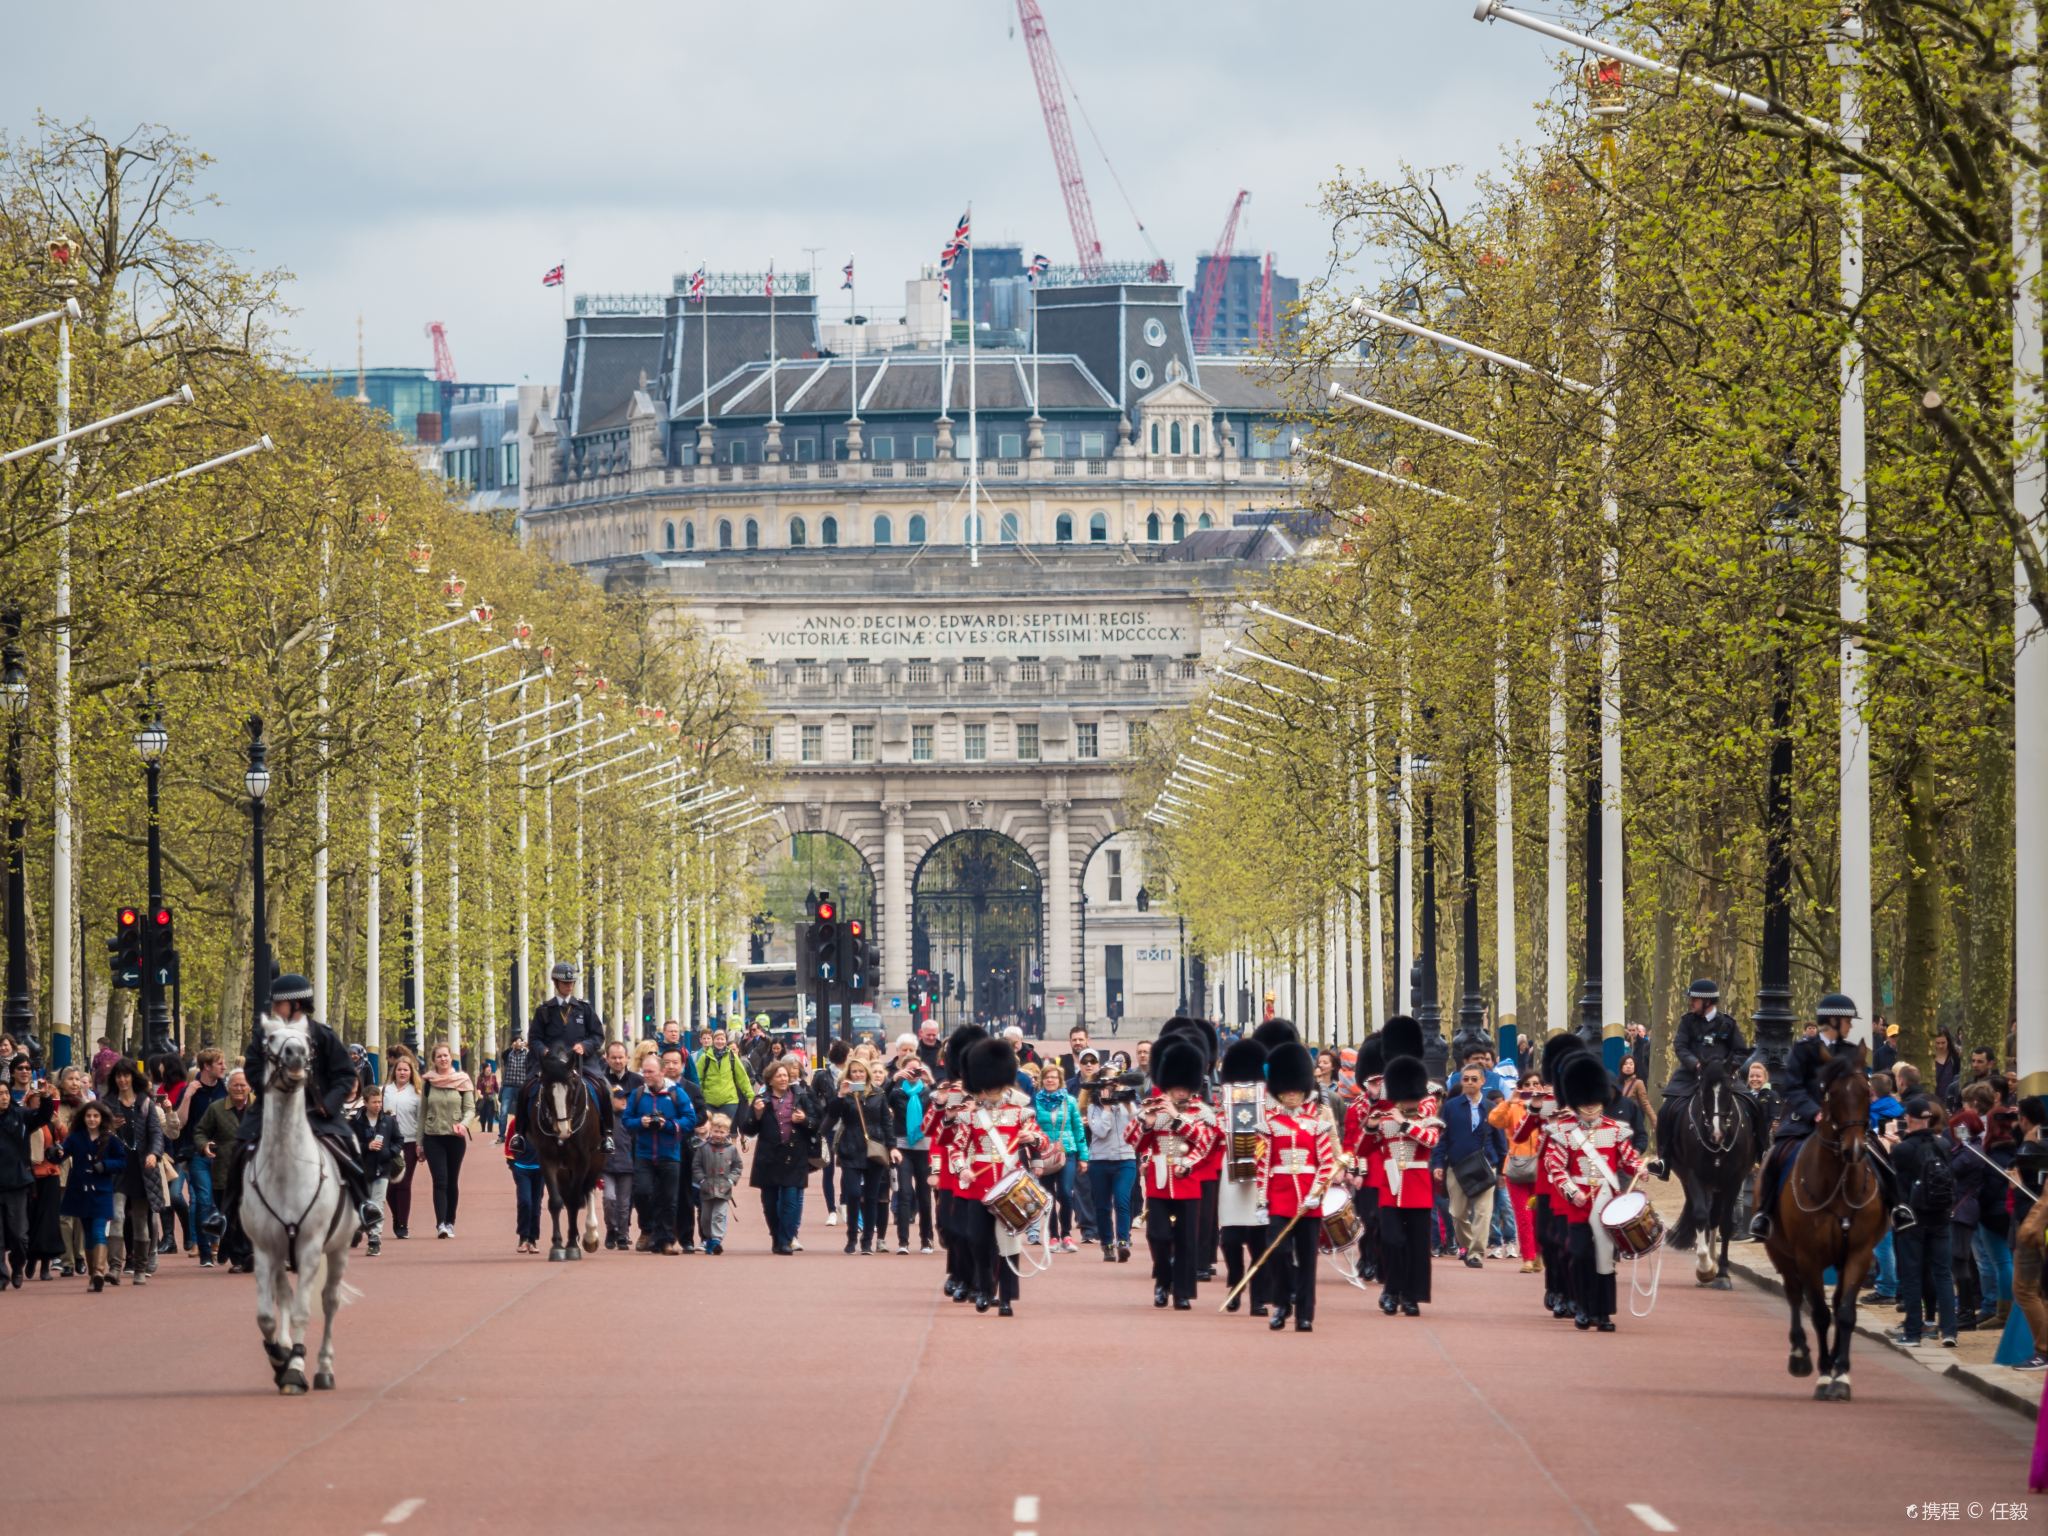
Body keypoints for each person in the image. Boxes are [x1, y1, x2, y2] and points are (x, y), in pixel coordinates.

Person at [216, 974, 368, 1263]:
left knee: (349, 1145)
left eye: (278, 1004)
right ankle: (223, 1214)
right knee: (241, 1147)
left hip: (317, 1112)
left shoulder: (323, 1035)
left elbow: (345, 1075)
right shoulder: (265, 1036)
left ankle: (364, 1205)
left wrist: (330, 1104)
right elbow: (252, 1069)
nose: (274, 1009)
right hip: (272, 1111)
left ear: (296, 1004)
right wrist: (270, 1090)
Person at [1750, 995, 1910, 1240]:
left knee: (1878, 1153)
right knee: (1777, 1155)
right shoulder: (1803, 1050)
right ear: (1834, 1021)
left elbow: (1858, 1086)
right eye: (1848, 1021)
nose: (1851, 1026)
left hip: (1846, 1122)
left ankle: (1897, 1207)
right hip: (1805, 1120)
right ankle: (1764, 1214)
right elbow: (1793, 1087)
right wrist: (1814, 1111)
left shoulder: (1850, 1051)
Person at [1545, 1051, 1643, 1332]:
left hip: (1606, 1203)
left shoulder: (1616, 1130)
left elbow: (1628, 1157)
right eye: (1585, 1103)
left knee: (1605, 1259)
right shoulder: (1563, 1132)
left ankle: (1603, 1312)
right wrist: (1571, 1191)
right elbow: (1555, 1167)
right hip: (1578, 1202)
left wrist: (1641, 1169)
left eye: (1594, 1103)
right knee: (1580, 1255)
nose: (1590, 1108)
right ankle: (1583, 1307)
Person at [954, 1037, 1051, 1316]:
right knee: (978, 1240)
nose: (992, 1089)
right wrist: (964, 1170)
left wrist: (1030, 1137)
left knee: (1009, 1243)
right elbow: (957, 1149)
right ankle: (985, 1289)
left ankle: (1006, 1297)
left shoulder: (1020, 1112)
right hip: (979, 1187)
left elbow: (1043, 1142)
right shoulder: (969, 1116)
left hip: (1009, 1186)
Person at [1127, 1038, 1219, 1312]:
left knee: (1186, 1240)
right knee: (1158, 1235)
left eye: (1183, 1087)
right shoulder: (1152, 1107)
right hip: (1158, 1181)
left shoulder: (1200, 1112)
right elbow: (1131, 1140)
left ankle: (1182, 1292)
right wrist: (1146, 1123)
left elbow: (1204, 1142)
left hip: (1186, 1181)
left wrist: (1177, 1120)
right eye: (1175, 1087)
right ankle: (1162, 1282)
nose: (1179, 1092)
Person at [1258, 1042, 1336, 1333]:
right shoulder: (1268, 1125)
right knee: (1276, 1252)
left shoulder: (1316, 1126)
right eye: (1287, 1091)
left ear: (1304, 1092)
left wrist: (1316, 1195)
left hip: (1309, 1201)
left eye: (1296, 1091)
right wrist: (1261, 1200)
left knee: (1307, 1261)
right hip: (1279, 1198)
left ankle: (1305, 1314)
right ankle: (1282, 1303)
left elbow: (1326, 1164)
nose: (1291, 1096)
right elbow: (1262, 1165)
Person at [1362, 1050, 1441, 1317]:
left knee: (1417, 1245)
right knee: (1392, 1241)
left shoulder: (1428, 1119)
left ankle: (1412, 1296)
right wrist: (1370, 1127)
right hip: (1390, 1189)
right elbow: (1363, 1149)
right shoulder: (1385, 1119)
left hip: (1417, 1189)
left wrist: (1405, 1123)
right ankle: (1390, 1290)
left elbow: (1430, 1141)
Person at [1651, 979, 1750, 1176]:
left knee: (1752, 1104)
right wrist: (1695, 1064)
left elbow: (1740, 1051)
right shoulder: (1687, 1021)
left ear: (1707, 1002)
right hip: (1691, 1075)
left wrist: (1728, 1068)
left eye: (1694, 1000)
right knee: (1665, 1111)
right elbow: (1680, 1046)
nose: (1691, 1003)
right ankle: (1664, 1159)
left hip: (1722, 1077)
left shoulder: (1728, 1024)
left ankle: (1760, 1152)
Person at [1886, 1095, 1960, 1348]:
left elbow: (1896, 1185)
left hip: (1913, 1218)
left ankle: (1913, 1332)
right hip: (1941, 1216)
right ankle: (1949, 1331)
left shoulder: (1903, 1149)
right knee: (1943, 1274)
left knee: (1912, 1274)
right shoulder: (1943, 1144)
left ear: (1909, 1118)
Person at [524, 963, 614, 1151]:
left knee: (604, 1087)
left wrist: (585, 1046)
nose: (569, 986)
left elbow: (597, 1036)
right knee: (527, 1088)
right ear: (556, 983)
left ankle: (607, 1134)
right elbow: (534, 1039)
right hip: (551, 1064)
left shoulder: (584, 1009)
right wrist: (544, 1051)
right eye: (565, 983)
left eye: (571, 982)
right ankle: (520, 1134)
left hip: (580, 1061)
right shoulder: (544, 1010)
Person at [622, 1050, 696, 1255]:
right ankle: (649, 1229)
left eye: (651, 1072)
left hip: (670, 1154)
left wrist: (668, 1125)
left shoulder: (676, 1093)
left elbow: (690, 1119)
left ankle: (666, 1241)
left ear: (662, 1072)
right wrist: (641, 1122)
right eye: (644, 1071)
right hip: (644, 1154)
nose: (646, 1075)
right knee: (642, 1192)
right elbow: (626, 1121)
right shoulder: (638, 1095)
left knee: (669, 1199)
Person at [1433, 1060, 1507, 1266]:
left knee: (1483, 1212)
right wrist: (1438, 1164)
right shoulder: (1450, 1107)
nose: (1470, 1083)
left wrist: (1502, 1170)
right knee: (1457, 1214)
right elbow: (1442, 1139)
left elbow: (1501, 1142)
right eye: (1466, 1079)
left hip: (1486, 1165)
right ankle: (1466, 1245)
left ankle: (1475, 1253)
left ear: (1483, 1081)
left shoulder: (1492, 1108)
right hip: (1456, 1167)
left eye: (1474, 1079)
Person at [1215, 1037, 1270, 1314]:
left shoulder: (1268, 1104)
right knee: (1231, 1239)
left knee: (1260, 1241)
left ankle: (1259, 1297)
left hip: (1260, 1174)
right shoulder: (1224, 1103)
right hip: (1232, 1173)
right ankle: (1236, 1282)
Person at [103, 1059, 165, 1285]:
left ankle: (140, 1267)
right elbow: (97, 1134)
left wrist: (153, 1154)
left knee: (140, 1218)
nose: (122, 1079)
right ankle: (115, 1267)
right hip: (118, 1168)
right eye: (118, 1076)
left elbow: (157, 1134)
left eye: (126, 1075)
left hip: (142, 1168)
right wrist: (109, 1129)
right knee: (117, 1214)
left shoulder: (145, 1102)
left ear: (132, 1077)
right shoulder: (107, 1103)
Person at [823, 1055, 890, 1255]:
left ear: (867, 1074)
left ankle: (867, 1240)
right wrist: (841, 1096)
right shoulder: (846, 1094)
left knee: (871, 1197)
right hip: (850, 1148)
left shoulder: (878, 1093)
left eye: (861, 1071)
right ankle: (852, 1235)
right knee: (852, 1194)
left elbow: (886, 1121)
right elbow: (832, 1115)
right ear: (849, 1075)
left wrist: (892, 1146)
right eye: (854, 1072)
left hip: (873, 1148)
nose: (858, 1075)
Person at [748, 1061, 817, 1255]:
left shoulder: (801, 1097)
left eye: (785, 1075)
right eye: (779, 1076)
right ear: (770, 1080)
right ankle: (776, 1236)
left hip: (794, 1157)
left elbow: (816, 1122)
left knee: (791, 1200)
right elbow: (748, 1128)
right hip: (769, 1158)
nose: (784, 1078)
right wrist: (757, 1114)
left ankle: (786, 1239)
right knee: (769, 1203)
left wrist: (804, 1120)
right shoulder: (761, 1099)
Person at [59, 1099, 126, 1291]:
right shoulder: (76, 1137)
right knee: (88, 1234)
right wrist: (55, 1152)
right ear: (83, 1117)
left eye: (96, 1116)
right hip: (80, 1191)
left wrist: (105, 1166)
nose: (92, 1119)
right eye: (88, 1116)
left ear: (102, 1118)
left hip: (102, 1192)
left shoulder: (110, 1139)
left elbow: (122, 1162)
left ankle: (98, 1270)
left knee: (98, 1229)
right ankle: (92, 1276)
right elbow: (62, 1154)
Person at [0, 1074, 55, 1287]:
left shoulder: (20, 1115)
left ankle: (18, 1265)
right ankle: (2, 1276)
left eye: (5, 1093)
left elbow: (43, 1116)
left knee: (19, 1235)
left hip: (17, 1183)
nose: (3, 1097)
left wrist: (46, 1097)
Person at [193, 1071, 251, 1270]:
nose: (239, 1088)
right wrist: (204, 1145)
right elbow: (200, 1131)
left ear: (250, 1087)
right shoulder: (216, 1108)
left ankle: (244, 1256)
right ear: (228, 1087)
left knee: (248, 1215)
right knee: (231, 1215)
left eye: (243, 1085)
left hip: (255, 1171)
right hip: (224, 1171)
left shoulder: (260, 1109)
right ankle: (237, 1255)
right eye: (235, 1085)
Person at [418, 1041, 475, 1239]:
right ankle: (440, 1223)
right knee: (439, 1180)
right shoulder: (428, 1082)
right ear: (433, 1060)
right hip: (433, 1137)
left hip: (455, 1138)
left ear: (451, 1058)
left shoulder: (462, 1081)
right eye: (439, 1056)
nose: (443, 1059)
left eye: (445, 1055)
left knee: (452, 1181)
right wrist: (419, 1143)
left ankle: (451, 1221)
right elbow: (422, 1113)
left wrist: (464, 1124)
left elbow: (470, 1109)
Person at [1491, 1069, 1546, 1273]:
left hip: (1542, 1168)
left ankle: (1540, 1254)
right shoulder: (1514, 1107)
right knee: (1523, 1215)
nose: (1532, 1088)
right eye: (1528, 1084)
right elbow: (1494, 1120)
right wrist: (1509, 1101)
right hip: (1517, 1168)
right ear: (1521, 1087)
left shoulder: (1547, 1107)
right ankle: (1528, 1258)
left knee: (1539, 1215)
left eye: (1536, 1084)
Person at [1031, 1063, 1086, 1254]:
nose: (1050, 1080)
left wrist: (1083, 1157)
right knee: (1048, 1196)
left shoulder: (1069, 1101)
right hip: (1044, 1153)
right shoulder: (1035, 1102)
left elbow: (1078, 1128)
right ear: (1042, 1080)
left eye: (1054, 1077)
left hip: (1066, 1151)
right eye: (1047, 1077)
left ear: (1060, 1080)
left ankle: (1067, 1234)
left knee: (1065, 1192)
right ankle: (1053, 1235)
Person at [659, 1050, 709, 1251]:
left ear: (683, 1065)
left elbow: (702, 1115)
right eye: (667, 1062)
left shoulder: (692, 1089)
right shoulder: (653, 1088)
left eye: (675, 1062)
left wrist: (682, 1123)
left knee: (685, 1194)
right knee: (663, 1194)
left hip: (685, 1147)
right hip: (660, 1147)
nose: (671, 1066)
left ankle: (686, 1238)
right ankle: (662, 1236)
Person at [886, 1052, 935, 1253]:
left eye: (917, 1069)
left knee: (925, 1195)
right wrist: (894, 1079)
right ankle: (903, 1241)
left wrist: (930, 1080)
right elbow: (882, 1100)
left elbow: (941, 1104)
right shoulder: (896, 1092)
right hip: (903, 1146)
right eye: (910, 1070)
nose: (914, 1073)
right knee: (905, 1192)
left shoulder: (927, 1092)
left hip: (924, 1148)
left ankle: (927, 1239)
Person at [350, 1082, 400, 1257]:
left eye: (380, 1102)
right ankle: (358, 1228)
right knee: (363, 1203)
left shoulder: (389, 1121)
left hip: (382, 1168)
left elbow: (398, 1140)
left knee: (378, 1203)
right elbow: (351, 1145)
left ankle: (374, 1238)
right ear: (365, 1103)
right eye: (374, 1102)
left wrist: (389, 1152)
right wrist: (367, 1146)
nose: (378, 1105)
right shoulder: (356, 1123)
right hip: (363, 1170)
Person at [382, 1050, 423, 1239]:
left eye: (406, 1070)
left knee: (404, 1184)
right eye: (399, 1069)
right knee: (390, 1185)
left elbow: (420, 1119)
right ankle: (396, 1216)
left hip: (409, 1141)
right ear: (394, 1071)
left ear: (411, 1072)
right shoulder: (386, 1090)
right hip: (388, 1142)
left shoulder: (416, 1093)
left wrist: (420, 1144)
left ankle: (403, 1224)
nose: (402, 1073)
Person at [693, 1114, 743, 1255]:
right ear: (711, 1130)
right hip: (706, 1188)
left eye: (722, 1132)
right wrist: (701, 1180)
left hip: (724, 1189)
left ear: (727, 1133)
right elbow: (696, 1166)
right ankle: (709, 1238)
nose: (718, 1135)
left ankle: (716, 1240)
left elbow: (737, 1166)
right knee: (706, 1217)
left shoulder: (731, 1149)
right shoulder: (703, 1148)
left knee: (719, 1215)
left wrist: (731, 1180)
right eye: (716, 1131)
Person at [503, 1100, 546, 1254]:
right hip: (521, 1169)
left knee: (536, 1206)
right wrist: (513, 1165)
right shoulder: (515, 1123)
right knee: (525, 1202)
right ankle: (523, 1237)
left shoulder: (545, 1124)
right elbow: (508, 1146)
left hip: (540, 1169)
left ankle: (533, 1239)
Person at [600, 1085, 636, 1250]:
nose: (623, 1101)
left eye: (624, 1098)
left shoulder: (630, 1119)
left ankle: (623, 1234)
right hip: (607, 1167)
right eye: (619, 1097)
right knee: (609, 1199)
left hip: (627, 1167)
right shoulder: (604, 1119)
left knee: (624, 1203)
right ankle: (611, 1229)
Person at [497, 1035, 531, 1143]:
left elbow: (534, 1057)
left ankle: (520, 1133)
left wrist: (528, 1046)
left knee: (521, 1111)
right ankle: (501, 1135)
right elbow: (503, 1055)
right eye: (516, 1041)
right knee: (503, 1111)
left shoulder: (526, 1053)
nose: (518, 1043)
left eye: (520, 1041)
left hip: (521, 1087)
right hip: (508, 1086)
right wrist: (512, 1047)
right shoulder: (508, 1054)